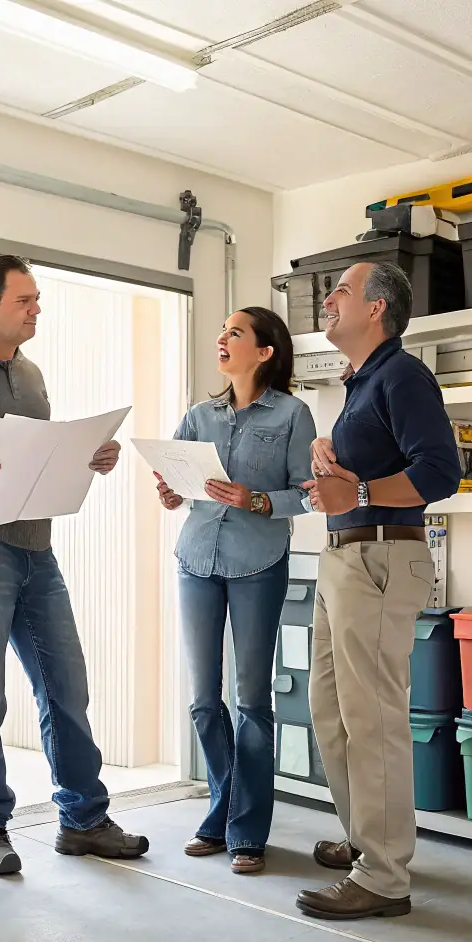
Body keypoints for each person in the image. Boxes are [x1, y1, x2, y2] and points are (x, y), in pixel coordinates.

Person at [0, 254, 149, 875]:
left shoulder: (32, 376)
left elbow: (31, 462)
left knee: (67, 687)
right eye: (24, 301)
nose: (36, 310)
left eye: (37, 300)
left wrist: (87, 459)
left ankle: (83, 819)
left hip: (38, 550)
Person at [295, 261, 460, 921]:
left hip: (381, 559)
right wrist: (330, 462)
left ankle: (385, 877)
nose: (329, 299)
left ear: (376, 309)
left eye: (341, 290)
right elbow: (367, 472)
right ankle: (368, 842)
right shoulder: (360, 382)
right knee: (331, 714)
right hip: (345, 557)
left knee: (374, 721)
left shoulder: (402, 374)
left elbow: (440, 470)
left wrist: (357, 490)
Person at [156, 308, 316, 874]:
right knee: (203, 699)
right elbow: (176, 483)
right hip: (196, 557)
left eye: (236, 332)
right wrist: (170, 493)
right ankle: (224, 806)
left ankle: (246, 830)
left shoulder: (294, 414)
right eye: (222, 331)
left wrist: (256, 500)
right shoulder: (200, 414)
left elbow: (310, 493)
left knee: (252, 701)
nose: (222, 338)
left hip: (259, 562)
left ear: (265, 351)